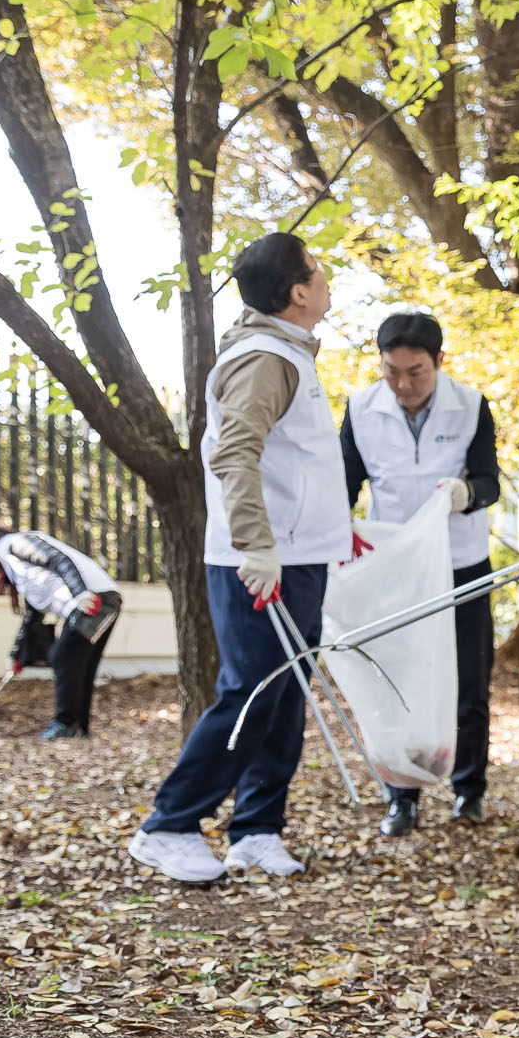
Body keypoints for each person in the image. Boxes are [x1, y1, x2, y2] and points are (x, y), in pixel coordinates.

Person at [129, 233, 358, 885]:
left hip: (300, 558)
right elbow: (233, 454)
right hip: (260, 562)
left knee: (283, 698)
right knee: (251, 694)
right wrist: (256, 543)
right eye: (320, 269)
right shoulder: (262, 357)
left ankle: (256, 828)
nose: (326, 278)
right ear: (298, 292)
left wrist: (338, 527)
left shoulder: (290, 353)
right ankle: (168, 823)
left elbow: (300, 466)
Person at [339, 312, 502, 837]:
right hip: (394, 569)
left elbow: (488, 483)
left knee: (470, 682)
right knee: (397, 681)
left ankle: (469, 791)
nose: (404, 385)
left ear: (439, 363)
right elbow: (343, 486)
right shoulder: (361, 408)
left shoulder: (471, 406)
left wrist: (465, 494)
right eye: (392, 372)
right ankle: (401, 796)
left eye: (417, 372)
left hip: (461, 563)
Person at [0, 522, 122, 739]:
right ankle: (77, 727)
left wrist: (79, 593)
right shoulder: (16, 566)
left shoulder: (16, 543)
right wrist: (15, 655)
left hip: (92, 600)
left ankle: (65, 725)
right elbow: (32, 614)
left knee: (64, 658)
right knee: (80, 664)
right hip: (98, 599)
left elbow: (58, 559)